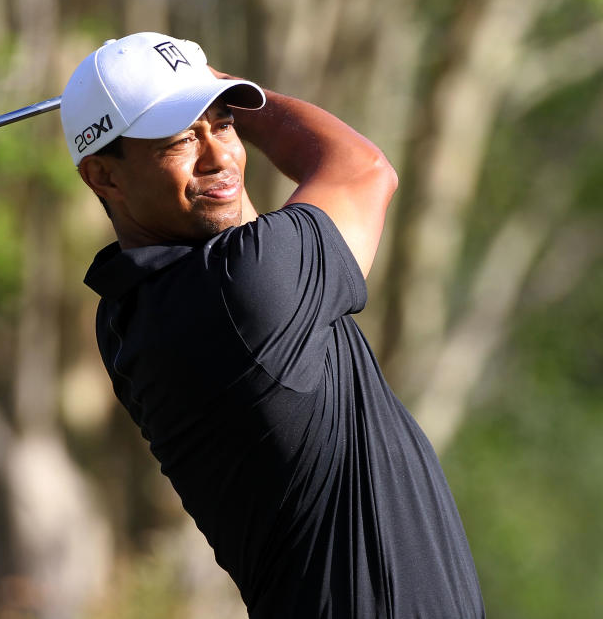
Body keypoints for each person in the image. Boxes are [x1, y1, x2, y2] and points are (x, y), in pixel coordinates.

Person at [60, 32, 485, 618]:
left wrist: (192, 94)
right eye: (181, 138)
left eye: (225, 124)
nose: (220, 156)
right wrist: (218, 79)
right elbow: (365, 168)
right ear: (104, 178)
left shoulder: (132, 312)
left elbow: (234, 218)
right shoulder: (245, 290)